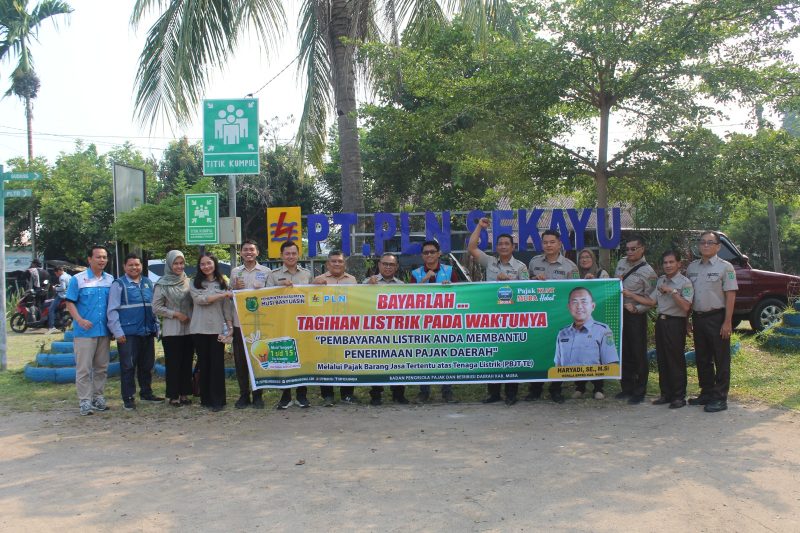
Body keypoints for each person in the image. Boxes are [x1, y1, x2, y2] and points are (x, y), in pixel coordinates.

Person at [467, 217, 528, 406]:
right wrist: (479, 226)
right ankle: (493, 393)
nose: (502, 246)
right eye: (500, 244)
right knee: (492, 354)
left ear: (512, 247)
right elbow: (472, 247)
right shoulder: (490, 262)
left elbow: (527, 290)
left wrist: (509, 282)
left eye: (506, 244)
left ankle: (511, 394)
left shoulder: (521, 267)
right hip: (491, 316)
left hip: (512, 316)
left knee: (511, 354)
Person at [686, 231, 738, 413]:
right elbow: (688, 296)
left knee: (721, 358)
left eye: (710, 242)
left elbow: (731, 295)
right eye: (702, 242)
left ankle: (720, 397)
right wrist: (687, 319)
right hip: (698, 317)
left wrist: (727, 322)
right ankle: (706, 392)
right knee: (702, 358)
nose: (705, 245)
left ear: (718, 246)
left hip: (717, 317)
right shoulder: (692, 268)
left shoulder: (726, 267)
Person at [525, 229, 579, 403]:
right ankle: (535, 389)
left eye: (552, 242)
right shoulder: (533, 263)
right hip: (537, 317)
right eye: (545, 242)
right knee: (538, 351)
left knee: (559, 352)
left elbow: (576, 291)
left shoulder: (570, 266)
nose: (548, 245)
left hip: (560, 317)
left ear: (559, 243)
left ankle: (556, 389)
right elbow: (524, 285)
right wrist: (533, 280)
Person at [107, 253, 163, 411]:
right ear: (125, 267)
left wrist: (156, 326)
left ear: (141, 266)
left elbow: (153, 307)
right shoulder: (119, 284)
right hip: (128, 333)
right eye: (131, 265)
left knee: (147, 365)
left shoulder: (147, 283)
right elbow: (112, 310)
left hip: (147, 331)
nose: (134, 267)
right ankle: (128, 398)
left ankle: (146, 393)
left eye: (137, 265)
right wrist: (117, 332)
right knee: (128, 366)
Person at [65, 245, 115, 416]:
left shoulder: (110, 279)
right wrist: (79, 320)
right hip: (84, 333)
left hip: (104, 332)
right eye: (98, 257)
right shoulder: (77, 280)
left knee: (102, 368)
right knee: (84, 369)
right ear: (89, 259)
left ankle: (98, 397)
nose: (102, 260)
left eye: (104, 257)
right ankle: (85, 401)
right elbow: (69, 302)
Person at [641, 250, 694, 409]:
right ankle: (665, 394)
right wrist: (629, 295)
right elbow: (651, 302)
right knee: (662, 359)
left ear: (679, 264)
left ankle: (679, 396)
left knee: (675, 359)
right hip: (661, 323)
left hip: (675, 323)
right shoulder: (660, 281)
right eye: (665, 263)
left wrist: (672, 291)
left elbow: (685, 306)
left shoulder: (685, 283)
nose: (668, 265)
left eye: (671, 262)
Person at [411, 240, 458, 403]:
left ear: (439, 254)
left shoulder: (450, 270)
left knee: (446, 357)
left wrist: (450, 287)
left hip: (445, 322)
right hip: (422, 323)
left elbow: (460, 294)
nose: (429, 255)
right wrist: (424, 279)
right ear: (422, 256)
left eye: (432, 252)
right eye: (426, 252)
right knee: (424, 358)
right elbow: (409, 297)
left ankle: (447, 392)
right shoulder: (416, 273)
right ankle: (424, 392)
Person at [269, 240, 314, 409]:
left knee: (303, 357)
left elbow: (313, 297)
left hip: (302, 323)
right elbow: (264, 298)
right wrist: (279, 288)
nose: (291, 256)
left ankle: (302, 395)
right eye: (287, 253)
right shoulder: (273, 275)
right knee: (284, 357)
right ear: (281, 255)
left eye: (294, 253)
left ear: (298, 255)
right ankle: (285, 396)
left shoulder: (307, 274)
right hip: (282, 322)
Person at [614, 235, 657, 405]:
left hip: (635, 316)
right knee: (624, 351)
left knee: (638, 353)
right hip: (619, 314)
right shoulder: (621, 264)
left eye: (634, 249)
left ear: (642, 249)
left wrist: (637, 309)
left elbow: (652, 298)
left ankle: (639, 390)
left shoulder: (649, 272)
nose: (630, 252)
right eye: (628, 249)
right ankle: (626, 387)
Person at [363, 252, 409, 406]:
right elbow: (358, 306)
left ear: (396, 267)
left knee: (397, 363)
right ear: (379, 265)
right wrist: (368, 289)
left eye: (391, 264)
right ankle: (376, 395)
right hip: (375, 332)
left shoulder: (402, 285)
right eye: (385, 264)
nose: (388, 267)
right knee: (376, 363)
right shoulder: (366, 283)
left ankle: (398, 394)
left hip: (395, 332)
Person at [190, 252, 234, 412]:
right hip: (199, 329)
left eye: (209, 263)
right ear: (199, 266)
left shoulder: (223, 282)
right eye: (203, 264)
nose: (206, 266)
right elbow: (200, 300)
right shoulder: (194, 283)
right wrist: (222, 294)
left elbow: (226, 307)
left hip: (217, 329)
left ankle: (218, 400)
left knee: (217, 365)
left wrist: (229, 327)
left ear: (214, 264)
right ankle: (205, 399)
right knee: (204, 363)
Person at [313, 250, 358, 406]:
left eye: (340, 261)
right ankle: (327, 396)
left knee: (347, 360)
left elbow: (358, 302)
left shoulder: (352, 281)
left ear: (344, 264)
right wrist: (313, 287)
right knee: (326, 361)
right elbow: (310, 303)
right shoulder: (317, 280)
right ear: (327, 264)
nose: (337, 264)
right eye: (334, 261)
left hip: (347, 327)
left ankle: (347, 395)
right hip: (324, 328)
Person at [230, 239, 271, 409]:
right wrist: (234, 287)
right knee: (240, 361)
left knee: (258, 359)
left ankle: (258, 395)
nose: (248, 252)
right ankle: (243, 395)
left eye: (252, 250)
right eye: (245, 250)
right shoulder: (235, 272)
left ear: (257, 252)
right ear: (241, 253)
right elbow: (228, 295)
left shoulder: (266, 271)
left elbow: (273, 296)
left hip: (259, 324)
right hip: (240, 323)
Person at [152, 250, 195, 407]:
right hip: (172, 331)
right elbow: (156, 307)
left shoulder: (189, 282)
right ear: (170, 265)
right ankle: (173, 395)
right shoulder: (162, 284)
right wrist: (175, 314)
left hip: (189, 329)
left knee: (186, 362)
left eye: (181, 263)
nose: (179, 266)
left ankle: (184, 394)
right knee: (173, 364)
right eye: (175, 263)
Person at [573, 248, 609, 400]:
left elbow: (607, 291)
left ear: (593, 259)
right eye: (581, 257)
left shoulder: (602, 273)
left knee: (595, 352)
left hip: (596, 317)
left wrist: (594, 282)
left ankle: (598, 388)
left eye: (587, 257)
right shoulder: (574, 274)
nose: (584, 259)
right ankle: (579, 387)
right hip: (578, 318)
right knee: (578, 351)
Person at [554, 286, 618, 366]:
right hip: (566, 378)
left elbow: (612, 364)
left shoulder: (603, 331)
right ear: (569, 307)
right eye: (574, 302)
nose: (579, 307)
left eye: (584, 302)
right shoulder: (562, 333)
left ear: (593, 306)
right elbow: (558, 366)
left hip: (594, 378)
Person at [47, 265, 71, 334]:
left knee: (51, 309)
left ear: (59, 271)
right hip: (68, 295)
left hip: (61, 296)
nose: (56, 275)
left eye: (56, 273)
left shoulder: (62, 277)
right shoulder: (68, 275)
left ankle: (51, 327)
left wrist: (55, 288)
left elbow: (63, 288)